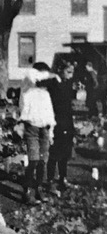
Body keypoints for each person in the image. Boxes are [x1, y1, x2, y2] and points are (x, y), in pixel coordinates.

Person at [18, 62, 57, 205]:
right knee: (33, 160)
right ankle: (26, 191)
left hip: (44, 129)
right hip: (31, 128)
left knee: (42, 162)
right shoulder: (27, 86)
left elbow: (50, 113)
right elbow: (33, 75)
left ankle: (38, 189)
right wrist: (51, 75)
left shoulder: (45, 93)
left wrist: (51, 132)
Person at [46, 63, 76, 195]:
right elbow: (50, 107)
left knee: (65, 154)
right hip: (56, 124)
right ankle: (50, 181)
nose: (71, 75)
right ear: (60, 70)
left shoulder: (67, 85)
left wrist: (72, 128)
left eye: (72, 72)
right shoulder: (52, 85)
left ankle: (63, 178)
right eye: (68, 72)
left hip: (67, 124)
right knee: (54, 154)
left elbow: (69, 109)